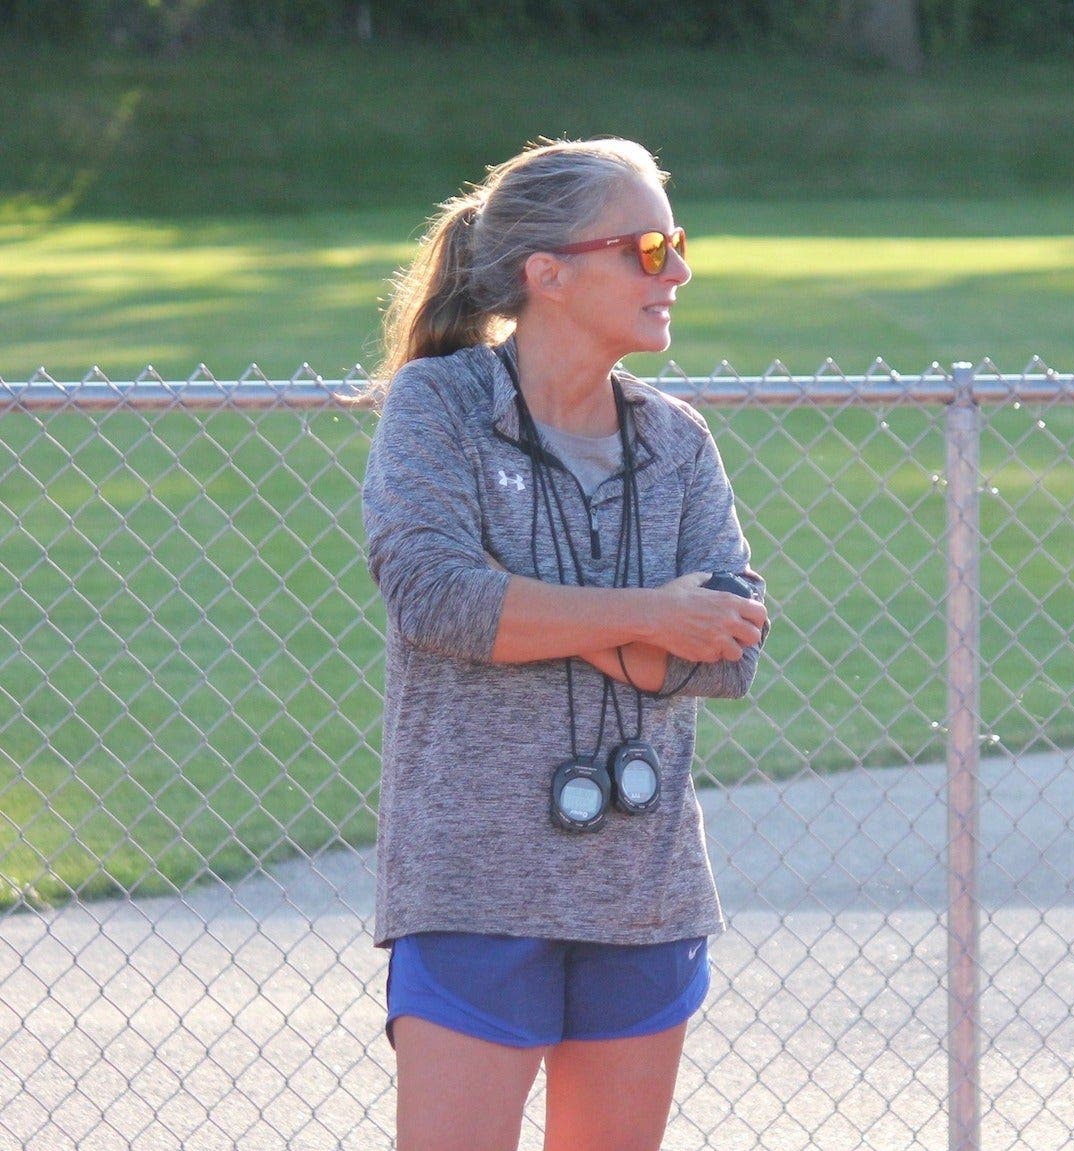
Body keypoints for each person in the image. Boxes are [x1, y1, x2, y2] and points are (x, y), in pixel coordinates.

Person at [362, 136, 768, 1151]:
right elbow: (436, 598)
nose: (677, 270)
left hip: (644, 890)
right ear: (547, 272)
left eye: (676, 242)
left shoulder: (676, 439)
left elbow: (726, 652)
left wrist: (537, 613)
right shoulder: (440, 407)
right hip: (472, 882)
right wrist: (649, 612)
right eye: (648, 245)